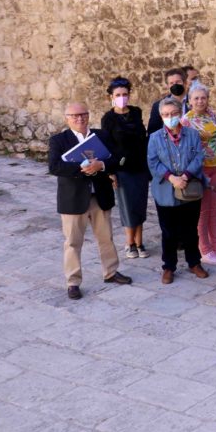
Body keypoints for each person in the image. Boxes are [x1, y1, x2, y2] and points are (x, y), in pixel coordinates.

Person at [49, 102, 132, 299]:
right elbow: (54, 166)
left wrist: (101, 165)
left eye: (83, 114)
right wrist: (82, 167)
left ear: (88, 115)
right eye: (75, 115)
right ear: (67, 118)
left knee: (106, 237)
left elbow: (117, 159)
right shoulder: (59, 140)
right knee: (72, 242)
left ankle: (111, 272)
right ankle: (73, 281)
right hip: (73, 199)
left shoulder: (101, 136)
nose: (80, 118)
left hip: (99, 195)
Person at [147, 97, 209, 284]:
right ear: (161, 116)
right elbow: (152, 161)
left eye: (174, 113)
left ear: (180, 113)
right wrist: (171, 177)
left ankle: (194, 262)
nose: (170, 117)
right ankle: (168, 266)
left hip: (189, 189)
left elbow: (199, 156)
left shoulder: (192, 134)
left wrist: (186, 175)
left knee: (191, 228)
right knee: (168, 231)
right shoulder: (155, 137)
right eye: (166, 115)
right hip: (165, 191)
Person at [100, 77, 151, 259]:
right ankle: (129, 243)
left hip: (140, 166)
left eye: (125, 94)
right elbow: (107, 145)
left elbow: (143, 138)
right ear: (111, 97)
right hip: (122, 168)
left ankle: (139, 241)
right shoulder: (108, 118)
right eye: (118, 95)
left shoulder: (136, 112)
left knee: (140, 203)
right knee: (127, 205)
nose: (122, 97)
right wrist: (111, 172)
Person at [182, 83, 216, 266]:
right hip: (200, 169)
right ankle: (205, 248)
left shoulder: (211, 114)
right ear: (190, 101)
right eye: (196, 98)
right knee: (203, 211)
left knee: (215, 209)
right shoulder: (186, 120)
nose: (200, 101)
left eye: (203, 97)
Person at [147, 67, 188, 134]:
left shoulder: (194, 103)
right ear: (168, 86)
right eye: (171, 83)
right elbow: (152, 132)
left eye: (178, 82)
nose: (175, 85)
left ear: (185, 82)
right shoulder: (158, 106)